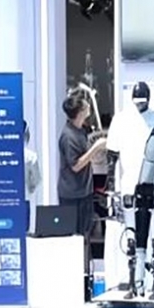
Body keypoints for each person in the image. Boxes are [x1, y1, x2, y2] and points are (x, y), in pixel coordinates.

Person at [58, 91, 107, 281]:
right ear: (79, 111)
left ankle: (85, 275)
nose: (89, 108)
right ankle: (73, 277)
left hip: (84, 192)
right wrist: (96, 148)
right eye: (86, 106)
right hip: (72, 194)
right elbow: (76, 165)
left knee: (85, 235)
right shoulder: (68, 136)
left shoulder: (81, 130)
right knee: (74, 237)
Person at [24, 121, 42, 233]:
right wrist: (31, 187)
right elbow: (37, 178)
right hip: (24, 198)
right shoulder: (30, 156)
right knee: (24, 232)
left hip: (6, 199)